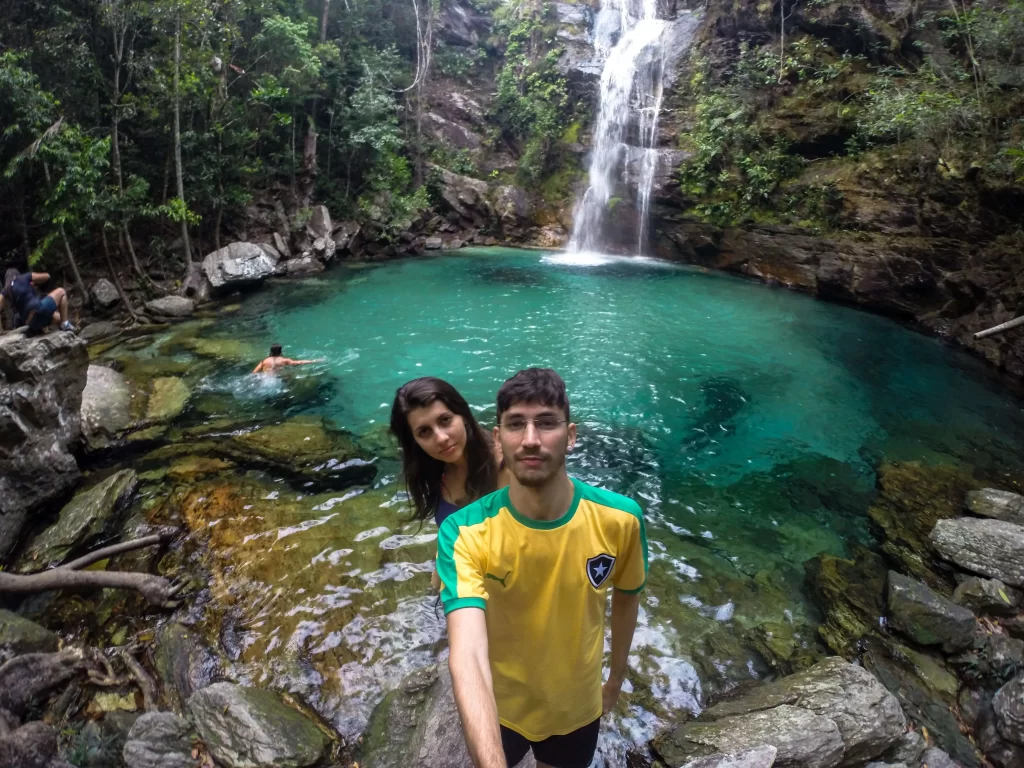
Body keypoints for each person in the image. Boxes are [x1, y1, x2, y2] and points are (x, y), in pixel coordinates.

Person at [438, 368, 648, 768]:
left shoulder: (621, 520)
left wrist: (615, 681)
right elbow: (466, 651)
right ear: (498, 440)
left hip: (577, 706)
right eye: (516, 424)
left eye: (546, 423)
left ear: (570, 435)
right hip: (501, 707)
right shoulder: (464, 532)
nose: (531, 439)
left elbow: (626, 598)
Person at [389, 377, 507, 592]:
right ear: (414, 441)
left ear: (463, 415)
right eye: (424, 432)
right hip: (465, 587)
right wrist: (436, 587)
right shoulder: (438, 472)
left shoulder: (505, 466)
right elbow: (450, 538)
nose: (441, 438)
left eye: (445, 420)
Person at [0, 270, 75, 334]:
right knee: (61, 291)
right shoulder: (24, 277)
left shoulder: (6, 290)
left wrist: (1, 330)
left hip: (30, 322)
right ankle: (65, 324)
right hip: (37, 309)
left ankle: (63, 325)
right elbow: (47, 276)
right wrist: (33, 281)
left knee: (58, 317)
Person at [252, 344, 321, 374]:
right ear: (280, 351)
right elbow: (299, 362)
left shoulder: (264, 360)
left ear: (271, 351)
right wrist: (314, 361)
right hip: (276, 381)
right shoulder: (284, 360)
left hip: (264, 380)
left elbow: (254, 372)